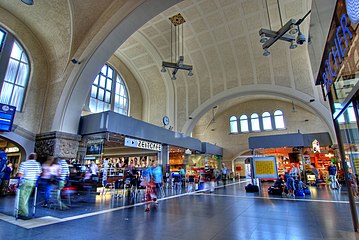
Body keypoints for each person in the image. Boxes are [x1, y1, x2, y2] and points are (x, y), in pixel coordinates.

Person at [17, 153, 42, 220]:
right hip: (32, 182)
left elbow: (20, 174)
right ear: (35, 158)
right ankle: (21, 211)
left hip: (25, 181)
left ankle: (23, 213)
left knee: (22, 197)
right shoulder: (37, 164)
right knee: (26, 197)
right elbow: (39, 174)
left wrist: (19, 180)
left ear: (28, 157)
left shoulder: (24, 163)